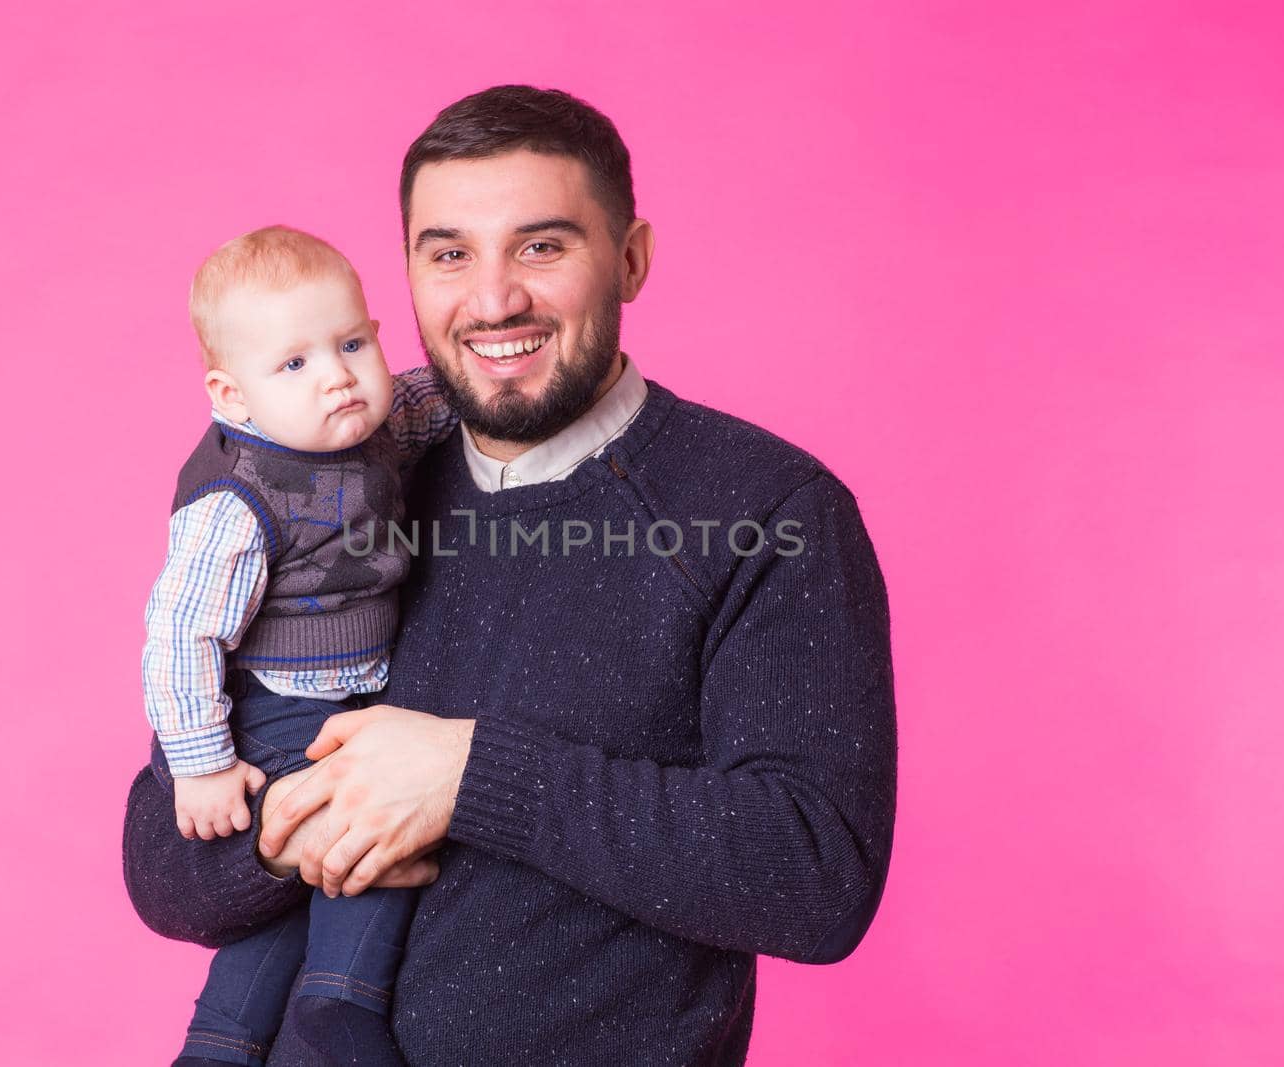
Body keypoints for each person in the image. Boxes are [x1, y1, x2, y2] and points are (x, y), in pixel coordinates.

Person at [124, 84, 897, 1067]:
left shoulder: (762, 510)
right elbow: (160, 862)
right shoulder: (341, 479)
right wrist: (283, 827)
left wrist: (470, 775)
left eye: (541, 245)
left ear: (629, 259)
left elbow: (814, 872)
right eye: (448, 253)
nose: (492, 300)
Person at [139, 225, 456, 1066]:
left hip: (345, 688)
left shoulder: (369, 421)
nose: (338, 376)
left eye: (352, 342)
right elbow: (180, 633)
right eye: (294, 364)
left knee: (284, 894)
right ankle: (339, 1003)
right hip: (266, 709)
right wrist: (203, 761)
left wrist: (482, 376)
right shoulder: (236, 497)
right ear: (231, 394)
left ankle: (219, 1042)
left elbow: (433, 398)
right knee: (364, 820)